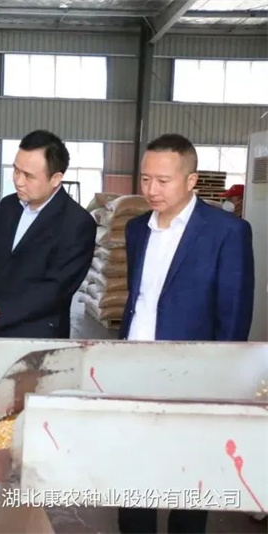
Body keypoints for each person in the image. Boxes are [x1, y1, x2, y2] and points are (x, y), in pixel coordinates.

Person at [117, 134, 254, 534]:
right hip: (132, 371)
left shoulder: (226, 232)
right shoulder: (137, 229)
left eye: (163, 181)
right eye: (145, 179)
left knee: (190, 476)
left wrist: (221, 384)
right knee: (131, 471)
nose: (151, 190)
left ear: (191, 180)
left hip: (194, 377)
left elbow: (234, 316)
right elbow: (138, 299)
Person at [0, 130, 96, 399]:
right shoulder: (7, 207)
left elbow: (56, 289)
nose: (18, 180)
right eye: (16, 170)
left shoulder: (76, 223)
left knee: (28, 418)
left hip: (36, 346)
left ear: (56, 178)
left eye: (28, 176)